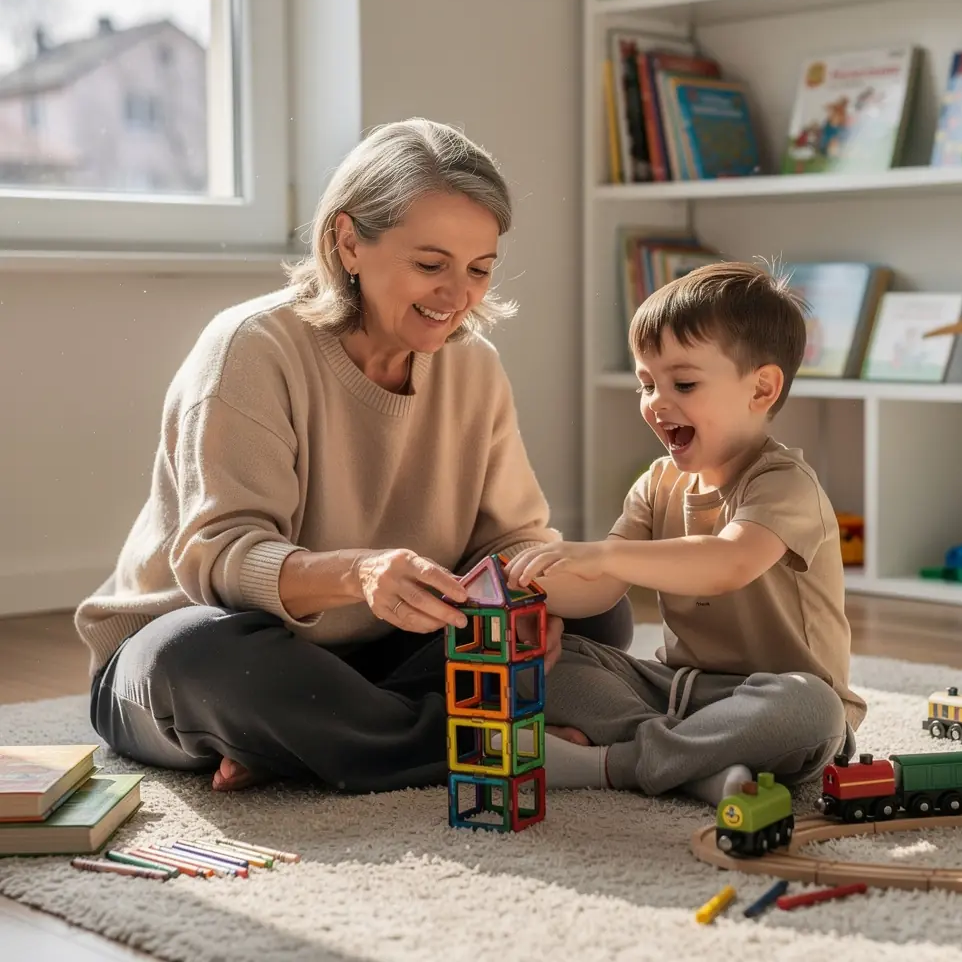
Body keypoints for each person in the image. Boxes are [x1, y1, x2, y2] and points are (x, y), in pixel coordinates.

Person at [75, 118, 632, 794]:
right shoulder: (252, 348)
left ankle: (313, 741)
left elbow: (512, 540)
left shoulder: (473, 368)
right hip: (198, 648)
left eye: (478, 270)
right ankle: (485, 739)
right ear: (348, 244)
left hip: (376, 656)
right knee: (203, 659)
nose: (456, 297)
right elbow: (217, 559)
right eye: (430, 265)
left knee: (598, 607)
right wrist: (359, 573)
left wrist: (536, 594)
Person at [506, 262, 865, 805]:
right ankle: (696, 767)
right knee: (555, 661)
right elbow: (597, 592)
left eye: (684, 383)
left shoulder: (785, 484)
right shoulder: (657, 483)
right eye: (646, 383)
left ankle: (614, 764)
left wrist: (603, 556)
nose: (656, 401)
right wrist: (521, 583)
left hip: (774, 700)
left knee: (812, 710)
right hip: (677, 693)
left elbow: (728, 562)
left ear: (762, 389)